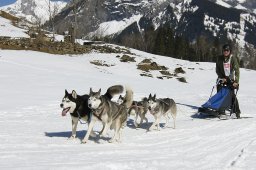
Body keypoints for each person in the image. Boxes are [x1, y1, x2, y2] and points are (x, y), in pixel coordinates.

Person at [215, 44, 241, 118]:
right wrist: (221, 77)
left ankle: (236, 111)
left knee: (231, 94)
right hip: (222, 78)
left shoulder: (233, 59)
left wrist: (236, 81)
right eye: (224, 50)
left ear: (230, 51)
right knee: (220, 93)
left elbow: (237, 71)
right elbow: (217, 70)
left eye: (227, 50)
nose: (226, 52)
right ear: (222, 51)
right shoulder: (219, 58)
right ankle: (221, 111)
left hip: (230, 79)